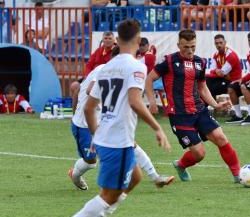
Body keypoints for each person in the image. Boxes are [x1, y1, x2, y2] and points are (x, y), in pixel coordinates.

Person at [53, 19, 171, 217]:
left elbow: (88, 107)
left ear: (117, 40)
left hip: (108, 135)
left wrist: (96, 136)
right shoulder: (137, 65)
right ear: (138, 40)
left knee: (135, 177)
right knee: (109, 194)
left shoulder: (105, 67)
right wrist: (157, 128)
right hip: (117, 139)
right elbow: (136, 102)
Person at [68, 46, 173, 192]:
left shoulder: (122, 72)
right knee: (91, 162)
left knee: (131, 144)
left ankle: (155, 177)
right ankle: (75, 175)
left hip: (105, 119)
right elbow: (89, 90)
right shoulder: (103, 70)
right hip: (84, 124)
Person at [145, 29, 241, 183]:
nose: (189, 51)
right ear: (178, 45)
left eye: (192, 47)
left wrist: (215, 105)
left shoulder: (200, 62)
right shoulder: (169, 61)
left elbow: (202, 88)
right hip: (179, 115)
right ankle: (181, 165)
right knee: (199, 153)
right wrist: (151, 102)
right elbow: (149, 79)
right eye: (185, 47)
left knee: (220, 138)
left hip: (199, 110)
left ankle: (239, 175)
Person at [206, 34, 242, 99]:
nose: (219, 45)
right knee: (206, 80)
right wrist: (216, 70)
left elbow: (222, 73)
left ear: (225, 42)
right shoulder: (216, 55)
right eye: (217, 43)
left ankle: (211, 106)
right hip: (224, 79)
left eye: (221, 43)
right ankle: (212, 106)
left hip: (233, 82)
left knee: (211, 88)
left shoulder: (231, 55)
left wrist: (216, 71)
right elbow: (212, 71)